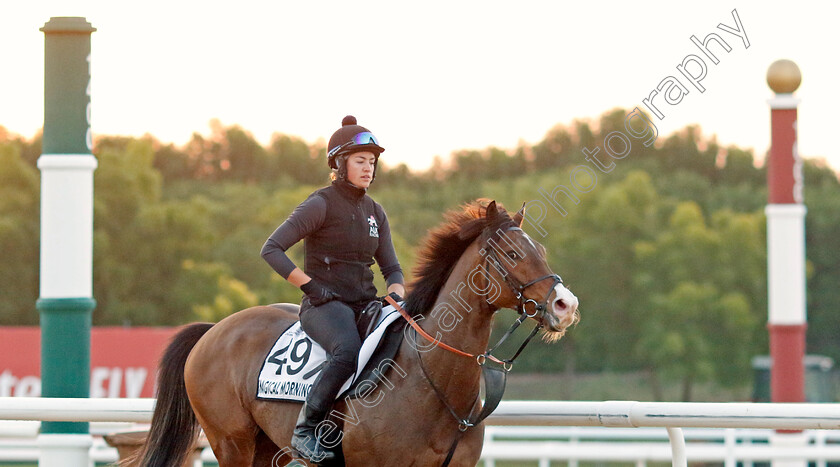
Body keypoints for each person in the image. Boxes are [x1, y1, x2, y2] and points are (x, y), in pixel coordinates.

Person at [261, 115, 405, 462]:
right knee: (347, 352)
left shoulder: (376, 212)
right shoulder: (320, 203)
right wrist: (311, 286)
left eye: (372, 162)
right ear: (340, 164)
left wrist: (398, 294)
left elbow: (392, 268)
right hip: (324, 307)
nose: (368, 168)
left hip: (367, 304)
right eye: (360, 161)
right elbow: (271, 249)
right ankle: (306, 430)